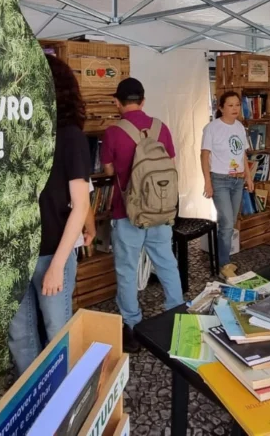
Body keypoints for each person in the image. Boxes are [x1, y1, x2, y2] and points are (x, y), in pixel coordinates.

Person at [8, 54, 90, 374]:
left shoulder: (70, 137)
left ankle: (62, 402)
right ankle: (35, 403)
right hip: (17, 254)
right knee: (20, 336)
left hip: (51, 253)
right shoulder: (20, 135)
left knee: (57, 332)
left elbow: (80, 206)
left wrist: (57, 264)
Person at [103, 77, 184, 353]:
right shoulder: (161, 128)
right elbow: (171, 166)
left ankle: (132, 324)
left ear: (117, 101)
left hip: (128, 213)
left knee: (126, 270)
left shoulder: (113, 132)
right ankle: (176, 310)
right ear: (144, 100)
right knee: (166, 262)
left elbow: (110, 173)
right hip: (160, 211)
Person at [201, 91, 254, 280]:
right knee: (226, 222)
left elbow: (242, 155)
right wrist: (207, 182)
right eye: (230, 105)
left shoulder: (240, 126)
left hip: (238, 180)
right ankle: (223, 264)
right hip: (220, 179)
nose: (234, 109)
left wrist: (248, 177)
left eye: (237, 105)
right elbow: (204, 155)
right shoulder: (212, 128)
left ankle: (224, 259)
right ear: (221, 107)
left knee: (230, 222)